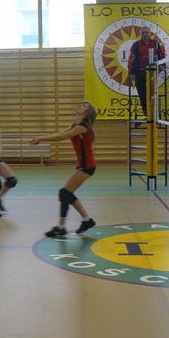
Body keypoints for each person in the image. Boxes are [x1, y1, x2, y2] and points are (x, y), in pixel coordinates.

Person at [30, 101, 97, 237]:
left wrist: (41, 138)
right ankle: (87, 220)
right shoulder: (75, 125)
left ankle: (61, 227)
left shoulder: (83, 127)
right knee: (67, 194)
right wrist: (42, 138)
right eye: (81, 105)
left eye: (84, 106)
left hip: (87, 166)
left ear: (88, 112)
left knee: (64, 193)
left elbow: (61, 137)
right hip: (83, 165)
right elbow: (60, 133)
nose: (81, 106)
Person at [127, 26, 165, 119]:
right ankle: (146, 114)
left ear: (150, 33)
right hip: (140, 73)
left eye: (146, 32)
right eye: (143, 33)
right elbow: (131, 59)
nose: (144, 34)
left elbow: (161, 56)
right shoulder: (136, 45)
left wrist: (162, 65)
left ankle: (155, 114)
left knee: (153, 93)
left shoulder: (156, 44)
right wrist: (131, 73)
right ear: (140, 34)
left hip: (153, 73)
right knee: (142, 94)